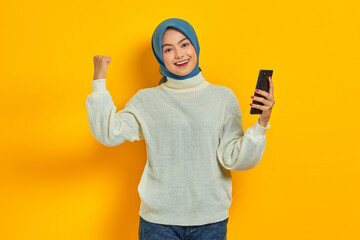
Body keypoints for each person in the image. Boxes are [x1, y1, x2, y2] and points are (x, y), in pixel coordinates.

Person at [86, 18, 275, 240]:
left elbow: (233, 159)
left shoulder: (223, 98)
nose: (179, 54)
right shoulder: (147, 101)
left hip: (210, 222)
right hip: (158, 223)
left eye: (184, 44)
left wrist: (262, 122)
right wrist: (99, 80)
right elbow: (108, 133)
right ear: (160, 55)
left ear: (195, 46)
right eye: (168, 49)